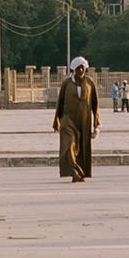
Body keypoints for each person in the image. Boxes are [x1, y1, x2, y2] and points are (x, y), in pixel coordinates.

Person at [51, 54, 102, 182]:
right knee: (69, 145)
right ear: (74, 69)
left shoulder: (89, 82)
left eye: (82, 67)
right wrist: (57, 121)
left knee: (82, 147)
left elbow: (95, 103)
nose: (80, 70)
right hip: (68, 120)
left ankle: (81, 172)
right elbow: (60, 103)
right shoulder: (66, 83)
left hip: (84, 120)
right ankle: (74, 172)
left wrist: (96, 123)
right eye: (78, 68)